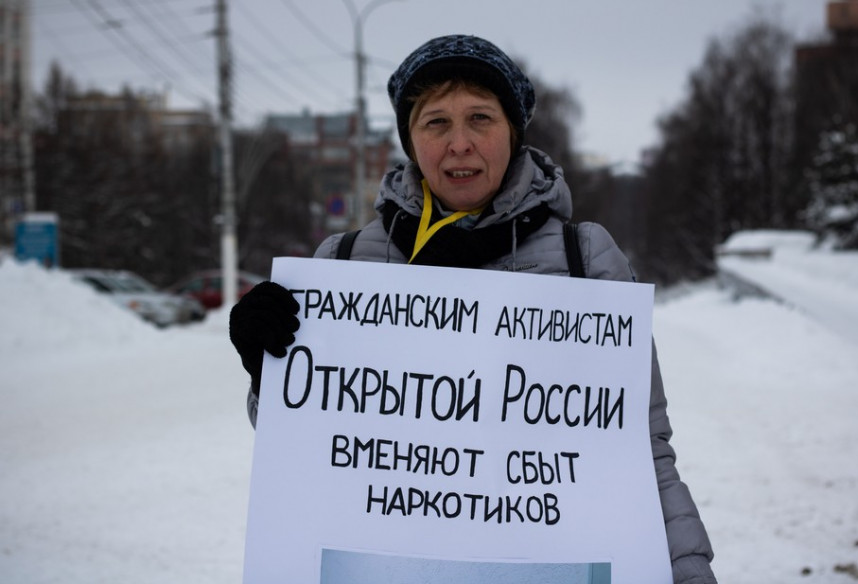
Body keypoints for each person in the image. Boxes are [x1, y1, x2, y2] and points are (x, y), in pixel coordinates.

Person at [230, 34, 717, 584]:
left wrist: (687, 571)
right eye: (436, 122)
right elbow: (307, 448)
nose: (459, 143)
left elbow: (641, 448)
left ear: (513, 132)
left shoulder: (585, 259)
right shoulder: (342, 266)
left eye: (480, 118)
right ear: (410, 140)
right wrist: (267, 373)